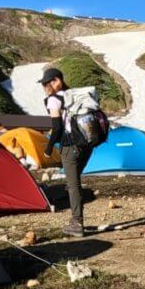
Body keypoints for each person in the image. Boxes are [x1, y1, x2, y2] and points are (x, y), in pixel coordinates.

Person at [42, 67, 93, 237]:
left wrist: (49, 148)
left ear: (57, 81)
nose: (45, 87)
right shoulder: (73, 96)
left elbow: (57, 128)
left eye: (46, 83)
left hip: (70, 146)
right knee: (75, 182)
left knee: (73, 185)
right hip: (87, 145)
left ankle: (77, 223)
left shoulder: (54, 99)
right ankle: (77, 219)